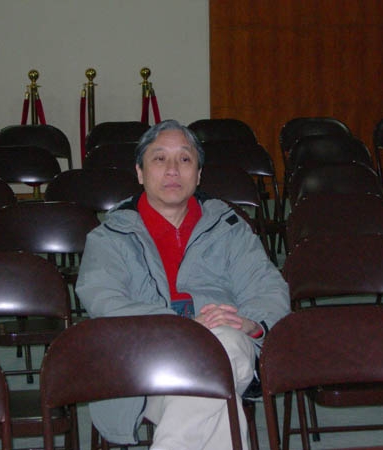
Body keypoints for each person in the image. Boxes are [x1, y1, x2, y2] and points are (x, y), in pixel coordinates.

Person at [76, 119, 290, 450]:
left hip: (228, 344)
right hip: (145, 363)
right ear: (140, 172)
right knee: (221, 395)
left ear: (199, 174)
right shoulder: (109, 238)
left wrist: (251, 323)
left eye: (185, 159)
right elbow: (106, 303)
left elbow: (268, 288)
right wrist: (183, 328)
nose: (173, 169)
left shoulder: (229, 228)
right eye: (160, 158)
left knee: (226, 342)